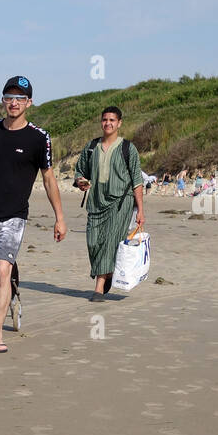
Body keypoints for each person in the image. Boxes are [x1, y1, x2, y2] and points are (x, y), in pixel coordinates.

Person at [0, 75, 65, 353]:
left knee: (2, 269)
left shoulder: (39, 138)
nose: (14, 102)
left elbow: (49, 179)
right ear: (2, 100)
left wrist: (59, 217)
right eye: (9, 97)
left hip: (14, 216)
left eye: (20, 98)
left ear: (29, 102)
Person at [72, 106, 145, 302]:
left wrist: (140, 210)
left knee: (110, 242)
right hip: (95, 202)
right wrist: (80, 181)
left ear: (119, 123)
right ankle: (108, 274)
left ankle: (99, 287)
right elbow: (80, 171)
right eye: (105, 120)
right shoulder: (91, 146)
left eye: (112, 120)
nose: (108, 123)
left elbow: (137, 180)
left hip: (121, 202)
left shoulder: (128, 148)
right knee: (93, 242)